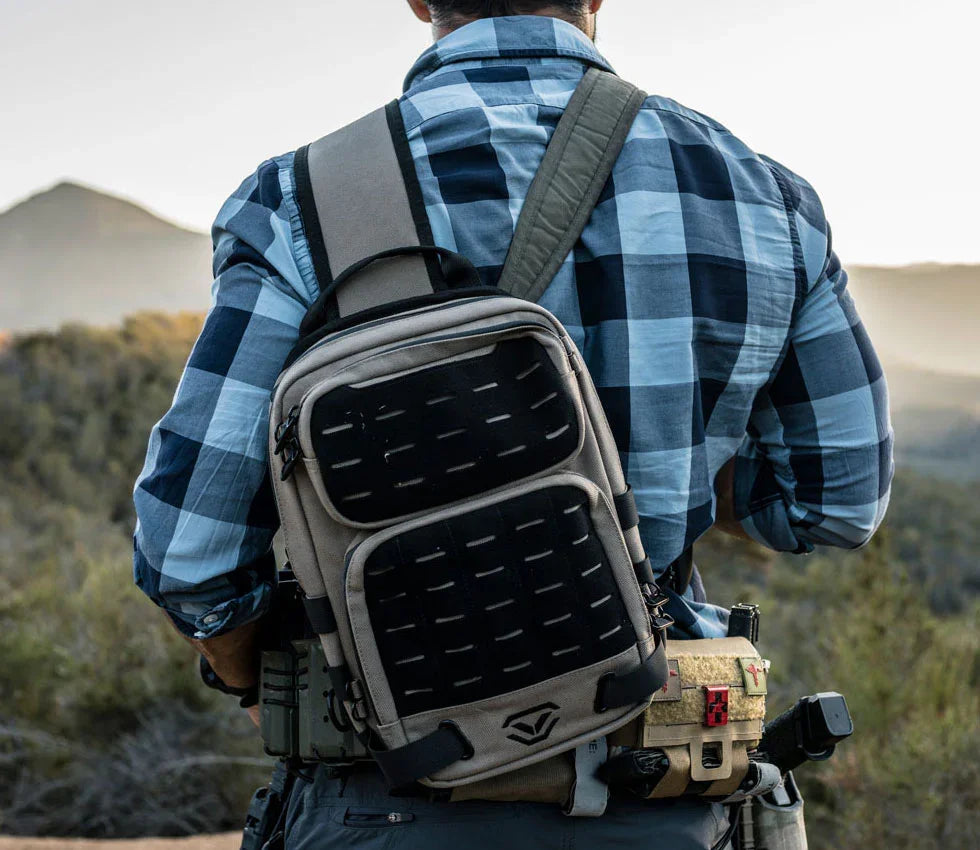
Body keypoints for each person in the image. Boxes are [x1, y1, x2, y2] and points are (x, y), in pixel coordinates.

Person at [133, 1, 893, 846]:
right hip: (663, 790)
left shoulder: (305, 199)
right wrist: (656, 468)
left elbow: (191, 548)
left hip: (398, 790)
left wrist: (251, 686)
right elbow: (835, 501)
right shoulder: (764, 196)